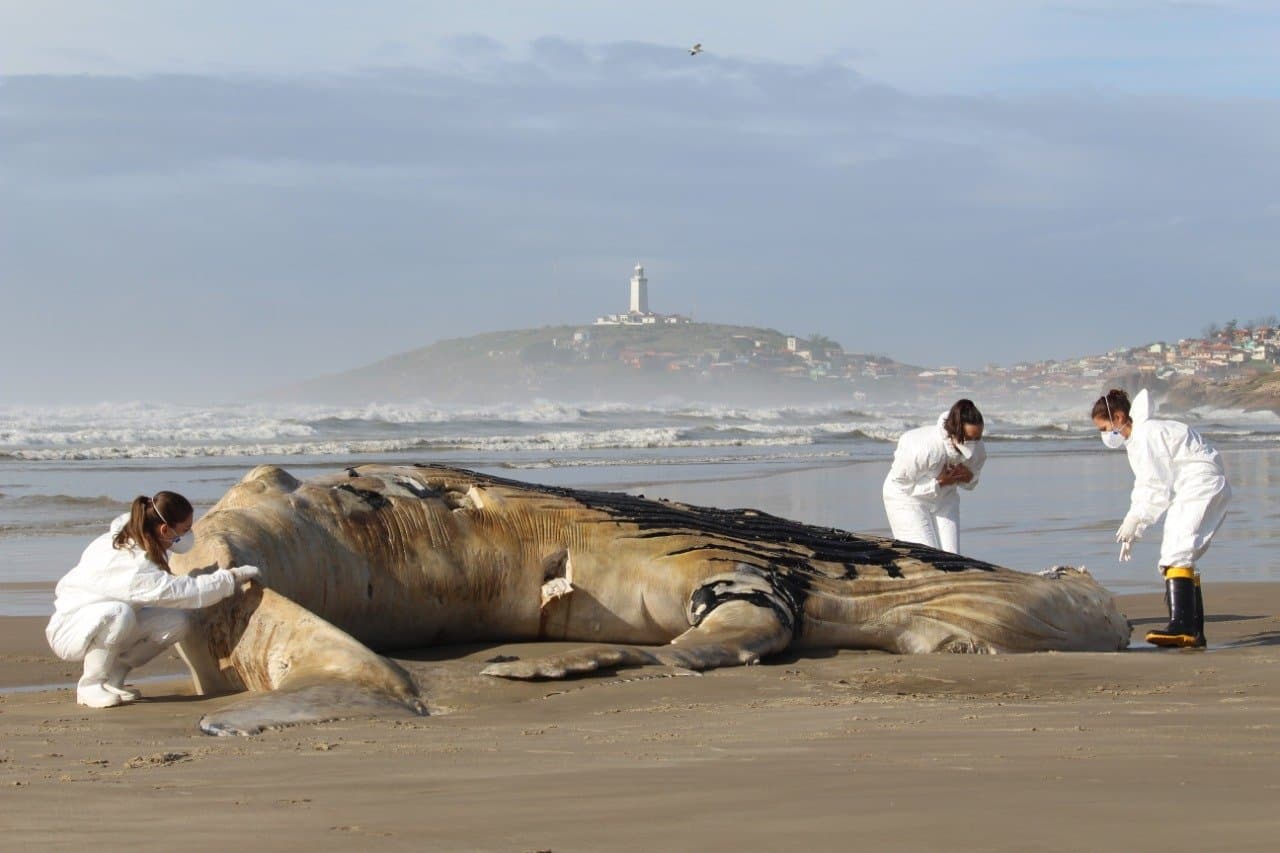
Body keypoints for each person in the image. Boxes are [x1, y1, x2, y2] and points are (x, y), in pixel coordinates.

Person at [45, 491, 261, 708]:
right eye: (185, 530)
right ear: (165, 529)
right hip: (71, 629)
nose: (188, 535)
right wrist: (229, 578)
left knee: (177, 623)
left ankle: (114, 674)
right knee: (118, 614)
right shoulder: (131, 563)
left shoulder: (138, 538)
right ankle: (90, 685)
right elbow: (181, 592)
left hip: (108, 621)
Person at [1091, 388, 1231, 648]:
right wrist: (1135, 521)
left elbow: (1154, 487)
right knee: (1180, 551)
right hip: (1200, 484)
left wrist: (1136, 520)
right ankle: (1194, 631)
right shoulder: (1143, 435)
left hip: (1199, 484)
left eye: (1103, 428)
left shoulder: (1145, 435)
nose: (1104, 435)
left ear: (1119, 417)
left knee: (1176, 550)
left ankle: (1183, 626)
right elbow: (1149, 484)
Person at [882, 399, 986, 554]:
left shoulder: (978, 450)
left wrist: (967, 477)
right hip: (905, 497)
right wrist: (940, 482)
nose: (973, 444)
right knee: (926, 555)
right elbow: (901, 484)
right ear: (954, 431)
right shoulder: (923, 449)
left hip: (945, 499)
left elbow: (972, 483)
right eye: (968, 439)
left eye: (977, 438)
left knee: (953, 557)